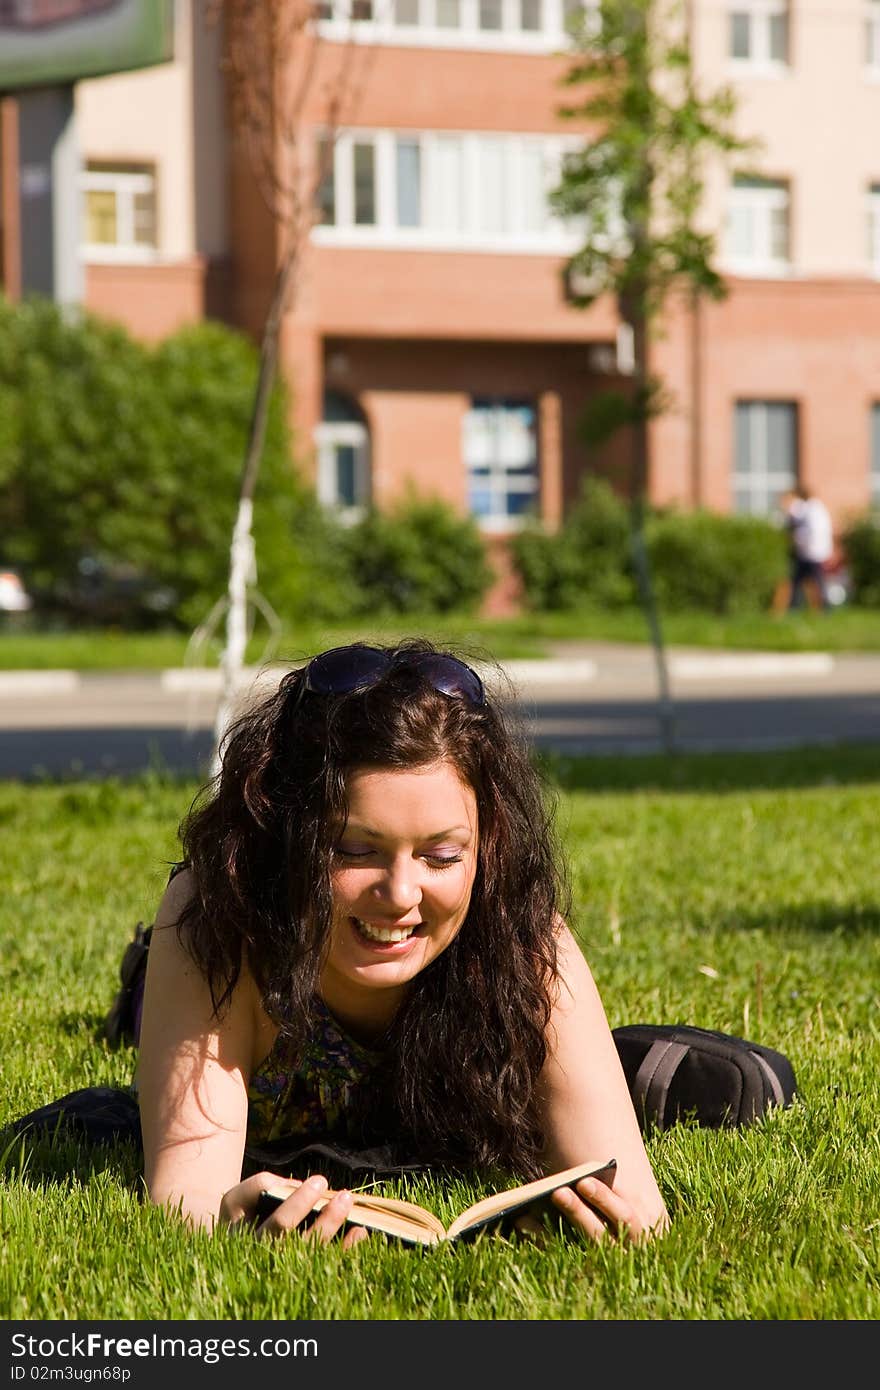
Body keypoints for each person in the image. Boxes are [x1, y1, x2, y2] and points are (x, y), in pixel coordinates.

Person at [27, 639, 671, 1249]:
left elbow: (636, 1199)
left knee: (724, 1081)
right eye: (354, 851)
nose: (399, 892)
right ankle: (143, 976)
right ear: (285, 836)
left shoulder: (519, 932)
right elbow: (185, 1195)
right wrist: (232, 1224)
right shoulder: (219, 916)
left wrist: (619, 1225)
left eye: (442, 856)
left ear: (488, 848)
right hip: (209, 989)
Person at [782, 486, 834, 611]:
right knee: (800, 580)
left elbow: (810, 532)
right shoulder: (814, 508)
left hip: (812, 552)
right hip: (811, 551)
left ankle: (823, 606)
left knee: (815, 580)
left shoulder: (811, 510)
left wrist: (796, 538)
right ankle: (796, 605)